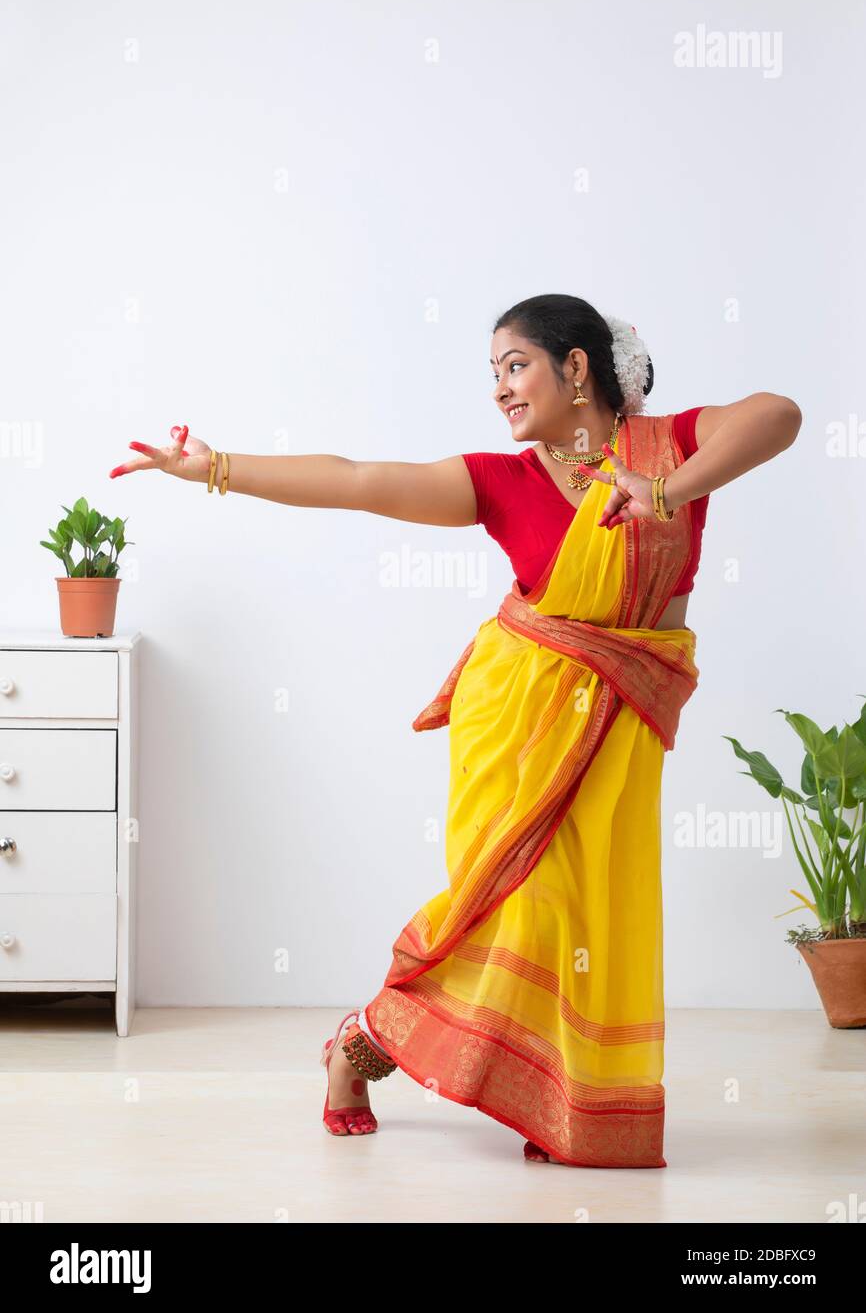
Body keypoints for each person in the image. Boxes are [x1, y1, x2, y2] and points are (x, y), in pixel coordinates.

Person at [109, 294, 802, 1166]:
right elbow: (358, 480)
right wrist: (216, 467)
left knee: (581, 917)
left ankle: (557, 1107)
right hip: (516, 721)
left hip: (619, 721)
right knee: (505, 911)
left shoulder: (671, 447)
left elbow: (780, 416)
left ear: (577, 368)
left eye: (515, 367)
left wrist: (664, 491)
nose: (502, 391)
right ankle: (360, 1045)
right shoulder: (501, 480)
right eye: (495, 376)